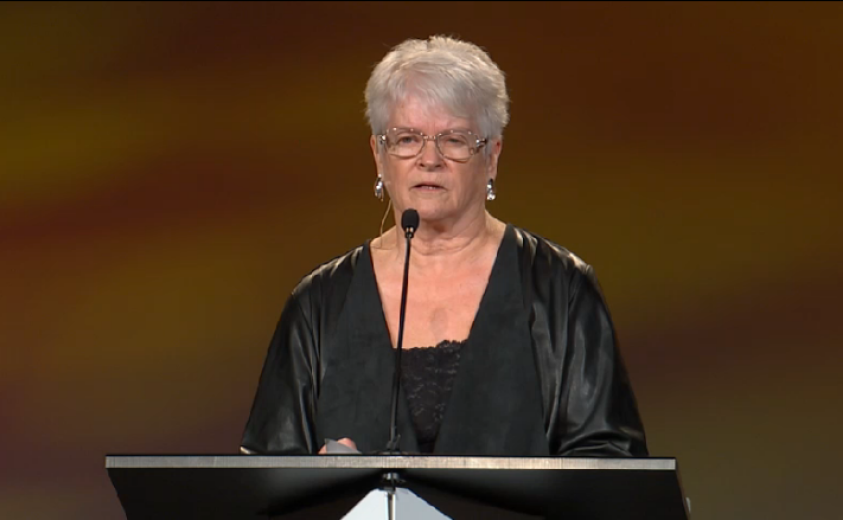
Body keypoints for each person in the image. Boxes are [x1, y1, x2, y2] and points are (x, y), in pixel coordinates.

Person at [240, 35, 648, 457]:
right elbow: (267, 479)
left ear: (491, 156)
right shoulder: (318, 305)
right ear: (379, 156)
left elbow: (609, 465)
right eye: (407, 139)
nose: (429, 159)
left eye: (454, 140)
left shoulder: (561, 290)